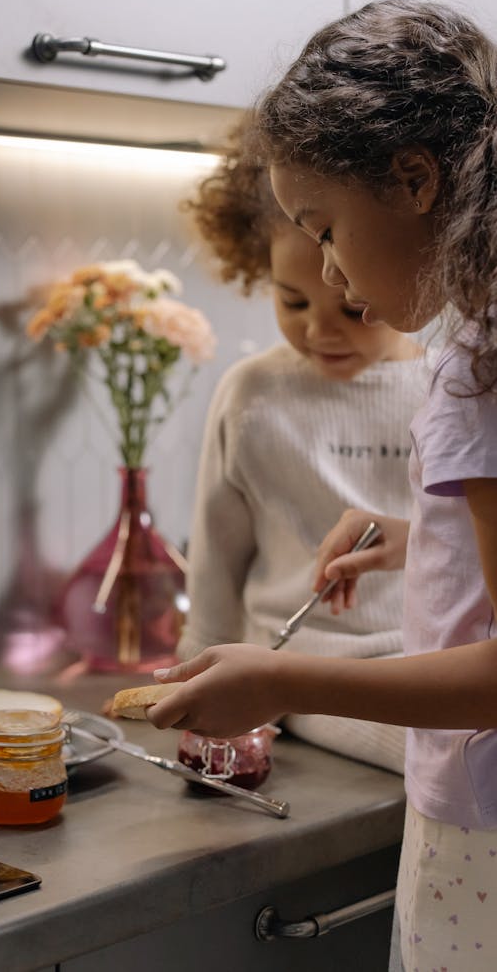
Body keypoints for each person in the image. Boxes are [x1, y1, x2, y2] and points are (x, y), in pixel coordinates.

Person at [149, 0, 497, 971]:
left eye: (327, 229)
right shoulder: (481, 345)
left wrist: (280, 675)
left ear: (415, 180)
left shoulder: (475, 370)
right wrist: (420, 539)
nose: (334, 270)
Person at [179, 132, 427, 772]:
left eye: (349, 307)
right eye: (292, 302)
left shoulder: (451, 386)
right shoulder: (254, 395)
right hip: (298, 674)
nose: (319, 330)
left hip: (432, 664)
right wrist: (191, 682)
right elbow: (215, 563)